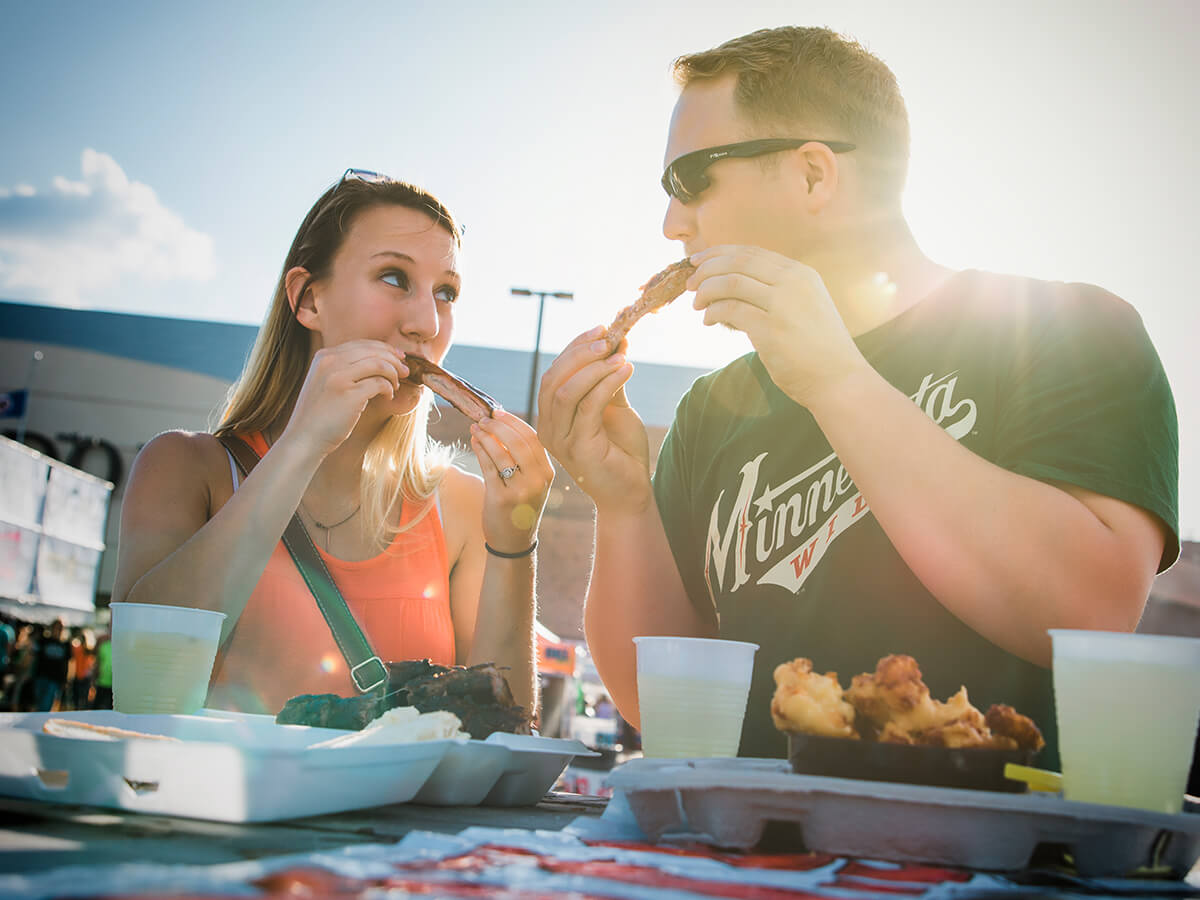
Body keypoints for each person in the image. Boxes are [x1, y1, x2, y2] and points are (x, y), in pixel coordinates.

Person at [537, 26, 1178, 768]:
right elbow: (666, 704)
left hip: (988, 859)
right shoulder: (714, 408)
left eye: (691, 180)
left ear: (814, 175)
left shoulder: (1066, 330)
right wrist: (623, 504)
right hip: (747, 860)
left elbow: (1088, 615)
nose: (672, 222)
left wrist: (840, 382)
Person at [113, 170, 554, 716]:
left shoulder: (461, 507)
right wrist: (302, 445)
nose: (426, 322)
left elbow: (504, 740)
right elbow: (141, 691)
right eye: (394, 278)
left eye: (446, 292)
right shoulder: (185, 469)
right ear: (308, 300)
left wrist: (515, 541)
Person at [31, 619, 72, 712]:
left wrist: (66, 679)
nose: (58, 630)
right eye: (56, 627)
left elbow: (68, 663)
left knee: (46, 705)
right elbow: (34, 656)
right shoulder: (43, 641)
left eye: (60, 628)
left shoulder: (65, 644)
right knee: (37, 702)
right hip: (41, 676)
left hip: (55, 679)